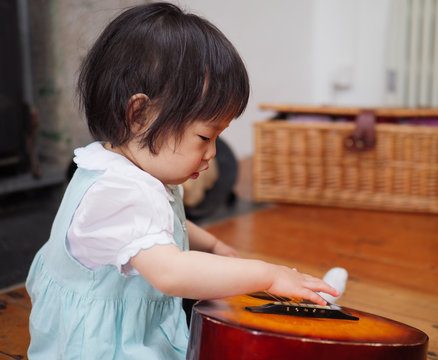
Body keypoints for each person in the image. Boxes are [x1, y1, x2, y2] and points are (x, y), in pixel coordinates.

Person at [26, 3, 344, 359]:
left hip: (135, 325)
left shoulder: (131, 167)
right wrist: (267, 276)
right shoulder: (118, 190)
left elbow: (164, 222)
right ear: (139, 114)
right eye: (205, 137)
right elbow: (171, 273)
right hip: (102, 348)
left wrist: (213, 246)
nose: (212, 153)